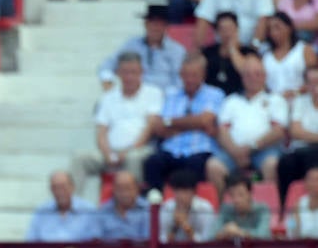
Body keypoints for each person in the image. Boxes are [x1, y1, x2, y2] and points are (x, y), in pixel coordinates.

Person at [71, 53, 165, 199]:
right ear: (118, 74)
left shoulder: (153, 93)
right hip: (111, 152)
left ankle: (131, 206)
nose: (129, 77)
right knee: (80, 158)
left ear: (142, 72)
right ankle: (71, 207)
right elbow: (101, 132)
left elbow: (150, 127)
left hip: (139, 150)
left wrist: (128, 151)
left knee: (133, 158)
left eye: (133, 72)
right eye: (125, 72)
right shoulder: (108, 98)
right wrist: (108, 153)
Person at [205, 52, 287, 194]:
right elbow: (222, 131)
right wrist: (235, 151)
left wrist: (251, 147)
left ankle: (266, 209)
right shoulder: (231, 101)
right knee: (213, 166)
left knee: (272, 164)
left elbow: (278, 131)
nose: (252, 78)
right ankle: (224, 209)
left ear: (264, 76)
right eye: (248, 74)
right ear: (242, 77)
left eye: (257, 74)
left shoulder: (276, 100)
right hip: (233, 151)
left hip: (264, 150)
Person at [143, 52, 226, 191]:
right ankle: (157, 205)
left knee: (195, 166)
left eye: (194, 75)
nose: (190, 79)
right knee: (152, 163)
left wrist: (171, 123)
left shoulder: (215, 94)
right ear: (180, 74)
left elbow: (205, 120)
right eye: (186, 75)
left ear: (203, 74)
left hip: (199, 151)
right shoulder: (171, 95)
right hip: (172, 150)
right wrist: (195, 123)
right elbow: (159, 128)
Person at [98, 4, 186, 93]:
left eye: (160, 24)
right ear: (145, 24)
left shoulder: (177, 51)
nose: (155, 27)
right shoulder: (132, 45)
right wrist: (107, 79)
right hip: (134, 98)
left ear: (166, 26)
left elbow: (180, 81)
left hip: (165, 98)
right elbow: (108, 64)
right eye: (152, 23)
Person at [280, 69, 318, 208]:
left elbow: (301, 131)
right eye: (312, 83)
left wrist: (308, 135)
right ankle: (284, 207)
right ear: (306, 85)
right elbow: (295, 131)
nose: (316, 87)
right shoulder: (300, 102)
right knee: (285, 163)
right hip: (301, 151)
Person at [26, 171, 99, 242]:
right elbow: (30, 243)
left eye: (63, 187)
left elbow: (95, 242)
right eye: (55, 188)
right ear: (51, 190)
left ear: (72, 187)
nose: (59, 192)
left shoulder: (89, 210)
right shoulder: (41, 212)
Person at [262, 12, 313, 97]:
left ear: (289, 28)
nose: (273, 32)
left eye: (277, 27)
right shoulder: (266, 56)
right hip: (274, 102)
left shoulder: (304, 50)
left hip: (301, 99)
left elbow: (314, 79)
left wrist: (296, 92)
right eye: (270, 29)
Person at [160, 167, 218, 241]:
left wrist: (186, 226)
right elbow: (161, 240)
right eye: (177, 191)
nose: (181, 196)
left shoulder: (205, 208)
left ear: (194, 192)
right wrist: (175, 226)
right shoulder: (166, 208)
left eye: (185, 192)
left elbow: (208, 240)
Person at [202, 12, 251, 96]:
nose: (227, 33)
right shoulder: (208, 52)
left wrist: (233, 49)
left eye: (230, 29)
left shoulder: (247, 52)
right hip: (211, 97)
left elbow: (246, 73)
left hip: (239, 97)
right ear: (217, 32)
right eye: (223, 29)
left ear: (237, 29)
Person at [95, 171, 152, 241]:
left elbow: (149, 241)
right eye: (119, 188)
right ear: (113, 189)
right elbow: (96, 242)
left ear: (137, 188)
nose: (124, 193)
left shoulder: (148, 209)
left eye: (128, 188)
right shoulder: (102, 211)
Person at [216, 172, 273, 237]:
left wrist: (239, 232)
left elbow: (263, 235)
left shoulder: (262, 209)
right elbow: (210, 235)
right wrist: (224, 233)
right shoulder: (225, 210)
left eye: (240, 194)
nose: (236, 200)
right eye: (232, 195)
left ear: (250, 194)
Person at [285, 165, 318, 234]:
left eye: (316, 180)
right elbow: (290, 227)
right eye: (311, 180)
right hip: (303, 242)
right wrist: (294, 222)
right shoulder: (299, 203)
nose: (314, 184)